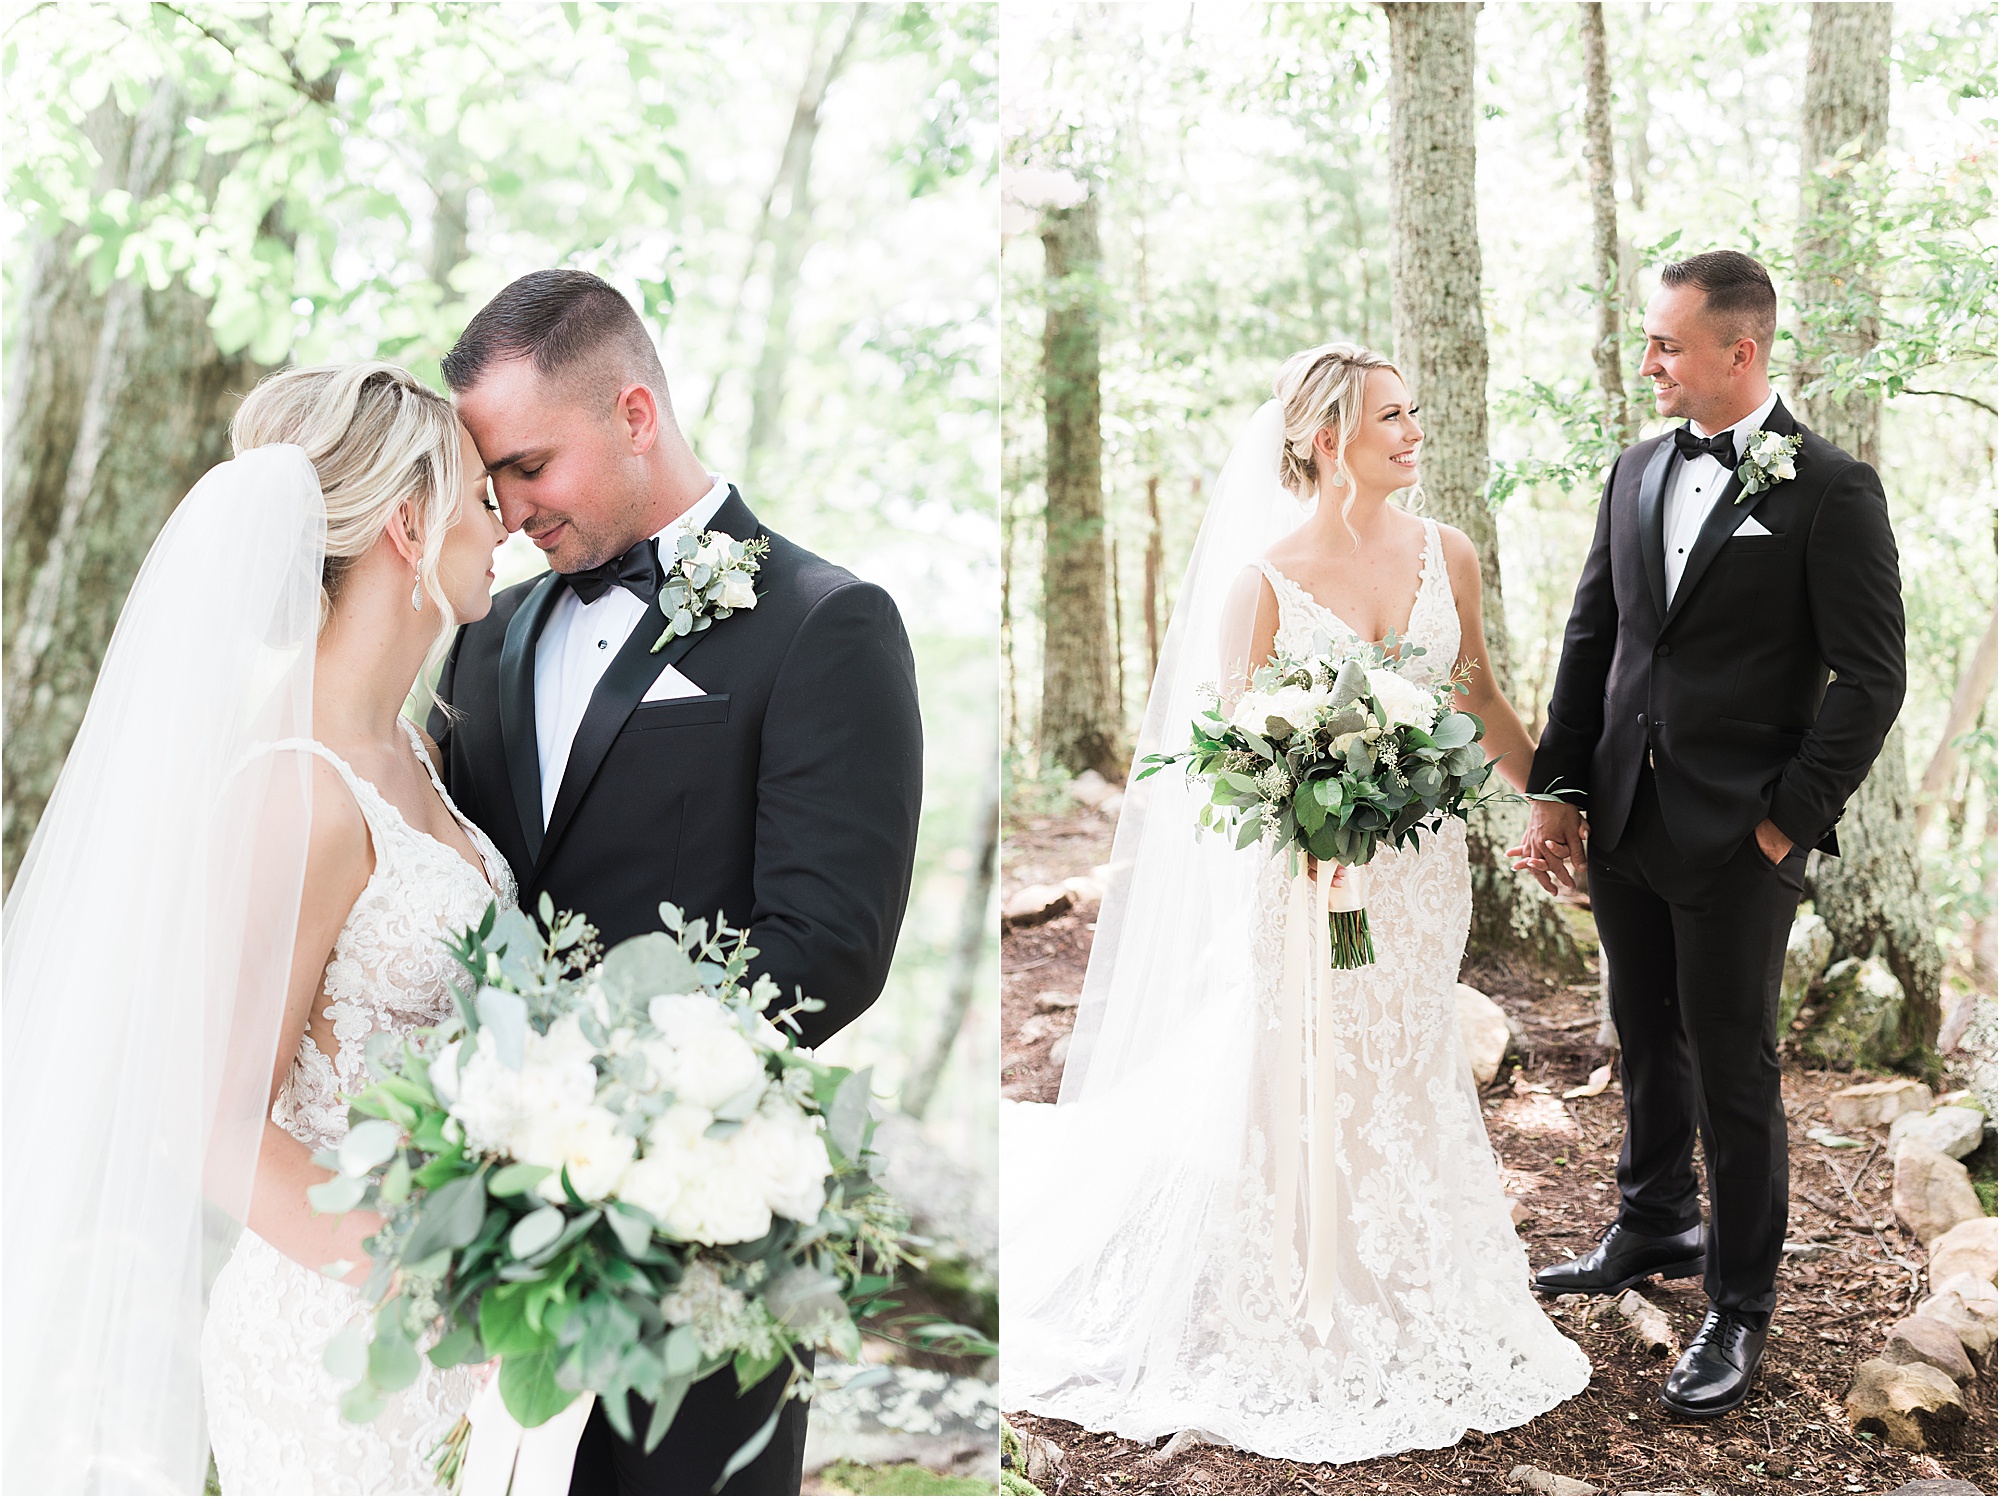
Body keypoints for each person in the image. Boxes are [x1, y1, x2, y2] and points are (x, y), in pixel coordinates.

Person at [1001, 343, 1590, 1464]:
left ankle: (1413, 1279)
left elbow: (1474, 694)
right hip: (1307, 879)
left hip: (1416, 875)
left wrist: (1554, 801)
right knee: (1303, 1060)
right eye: (1391, 418)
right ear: (1327, 441)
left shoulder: (1445, 554)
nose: (1415, 433)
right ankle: (1299, 1288)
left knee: (1406, 1054)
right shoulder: (1260, 582)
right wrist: (1309, 828)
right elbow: (1234, 754)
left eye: (1414, 413)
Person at [429, 268, 925, 1495]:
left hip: (706, 1227)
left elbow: (827, 944)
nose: (507, 509)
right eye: (490, 478)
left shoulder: (827, 622)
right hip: (490, 1227)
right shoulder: (484, 636)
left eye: (531, 466)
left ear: (635, 413)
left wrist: (605, 1115)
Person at [3, 362, 511, 1494]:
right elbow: (211, 1125)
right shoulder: (295, 784)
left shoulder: (415, 751)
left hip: (459, 1337)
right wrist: (436, 1288)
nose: (505, 520)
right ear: (407, 520)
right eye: (481, 494)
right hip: (350, 1351)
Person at [1515, 250, 1906, 1419]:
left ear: (1739, 352)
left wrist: (1785, 824)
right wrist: (1557, 789)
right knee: (1640, 1031)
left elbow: (1870, 678)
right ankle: (1649, 1224)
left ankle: (1737, 1305)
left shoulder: (1829, 489)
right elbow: (1596, 636)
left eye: (1668, 345)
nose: (1649, 363)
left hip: (1741, 838)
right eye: (1649, 341)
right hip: (1625, 811)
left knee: (1733, 1069)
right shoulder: (1636, 467)